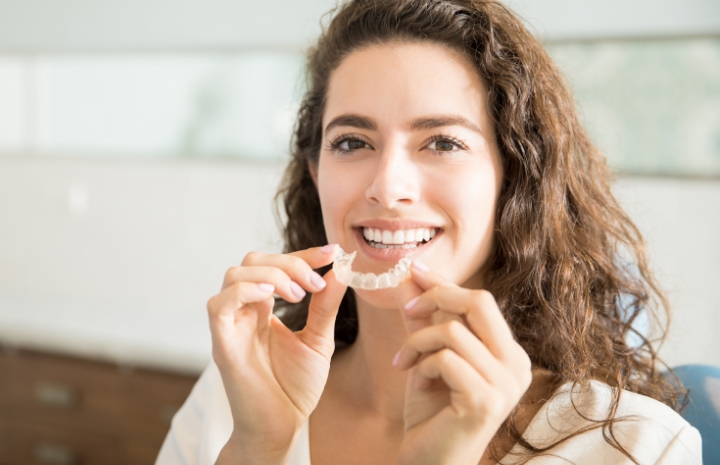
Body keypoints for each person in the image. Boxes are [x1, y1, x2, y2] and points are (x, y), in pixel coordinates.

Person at [156, 1, 702, 464]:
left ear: (513, 180)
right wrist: (257, 448)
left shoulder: (636, 446)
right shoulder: (235, 397)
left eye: (442, 142)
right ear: (316, 173)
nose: (387, 187)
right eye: (352, 142)